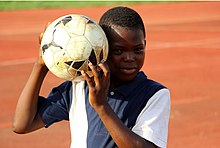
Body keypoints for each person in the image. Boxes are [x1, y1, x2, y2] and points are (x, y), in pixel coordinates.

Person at [13, 6, 170, 148]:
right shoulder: (79, 86)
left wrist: (101, 106)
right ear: (103, 49)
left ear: (145, 45)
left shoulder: (154, 94)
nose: (129, 58)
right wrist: (41, 65)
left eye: (138, 50)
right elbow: (22, 125)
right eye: (118, 51)